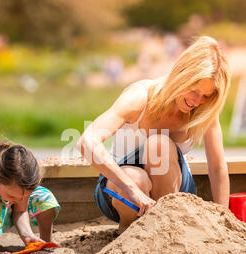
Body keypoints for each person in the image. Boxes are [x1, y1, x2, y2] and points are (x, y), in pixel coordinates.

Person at [77, 36, 231, 234]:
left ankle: (166, 230)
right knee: (136, 177)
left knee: (159, 146)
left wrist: (223, 219)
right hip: (120, 193)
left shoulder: (205, 109)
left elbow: (217, 168)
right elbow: (86, 142)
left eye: (206, 95)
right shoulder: (139, 97)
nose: (196, 100)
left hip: (173, 192)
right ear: (180, 75)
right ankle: (128, 233)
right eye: (193, 89)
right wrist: (134, 191)